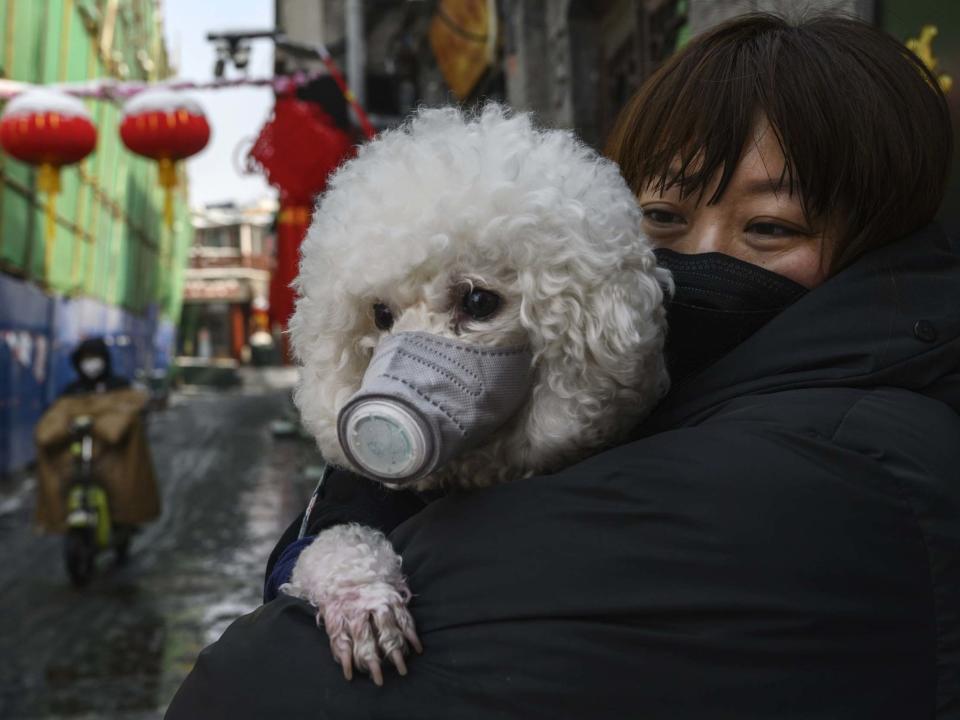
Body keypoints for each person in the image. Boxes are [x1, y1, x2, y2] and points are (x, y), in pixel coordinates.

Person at [166, 13, 959, 719]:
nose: (705, 258)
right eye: (663, 217)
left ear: (877, 238)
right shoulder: (659, 399)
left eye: (770, 228)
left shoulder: (824, 465)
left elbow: (254, 685)